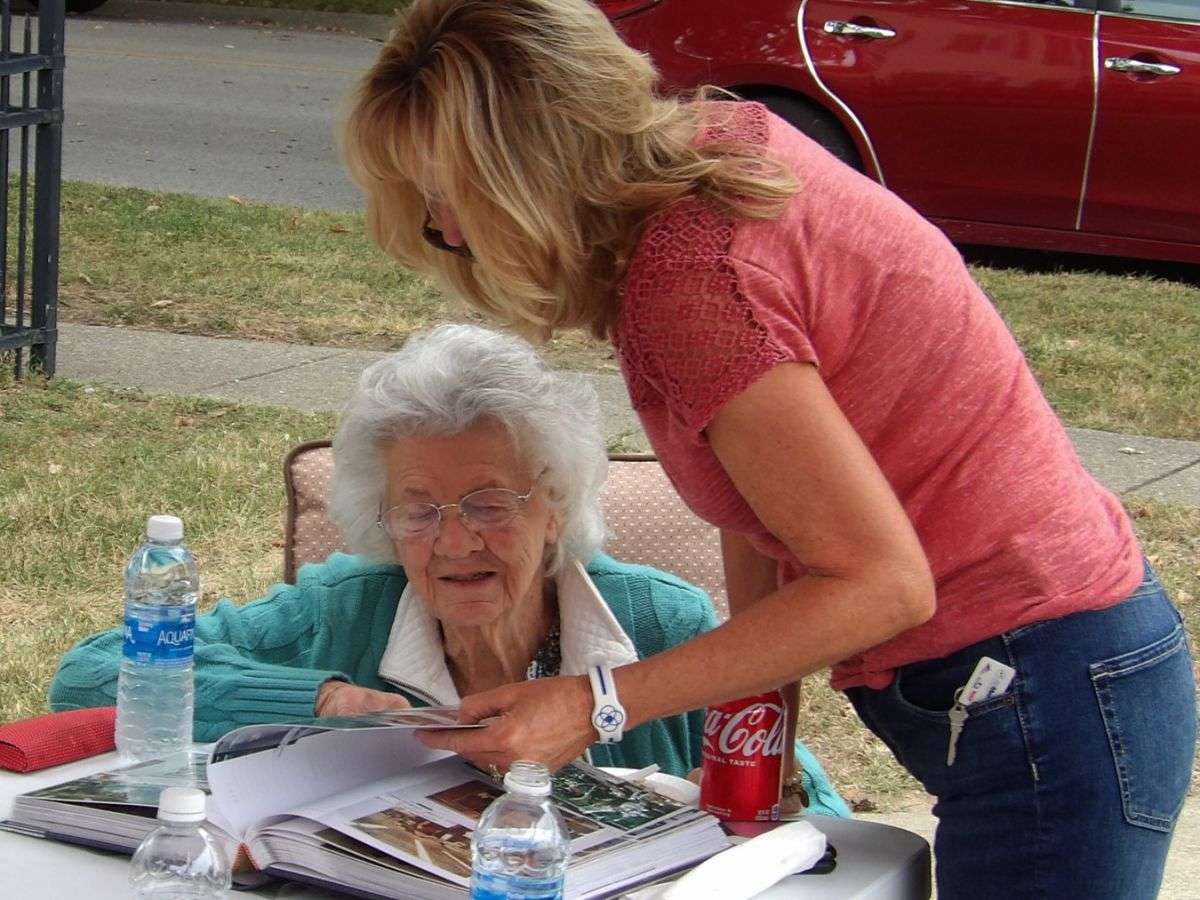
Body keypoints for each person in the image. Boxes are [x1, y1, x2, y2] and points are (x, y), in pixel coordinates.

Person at [339, 1, 1196, 896]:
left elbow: (884, 583)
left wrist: (596, 705)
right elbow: (763, 504)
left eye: (451, 195)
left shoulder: (692, 283)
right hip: (1051, 667)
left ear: (532, 171)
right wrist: (759, 737)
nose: (445, 231)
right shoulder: (713, 152)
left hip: (1045, 680)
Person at [47, 324, 848, 815]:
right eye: (419, 509)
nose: (454, 542)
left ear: (555, 506)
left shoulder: (661, 624)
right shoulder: (343, 611)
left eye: (490, 504)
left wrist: (763, 801)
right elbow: (87, 676)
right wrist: (320, 700)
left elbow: (812, 808)